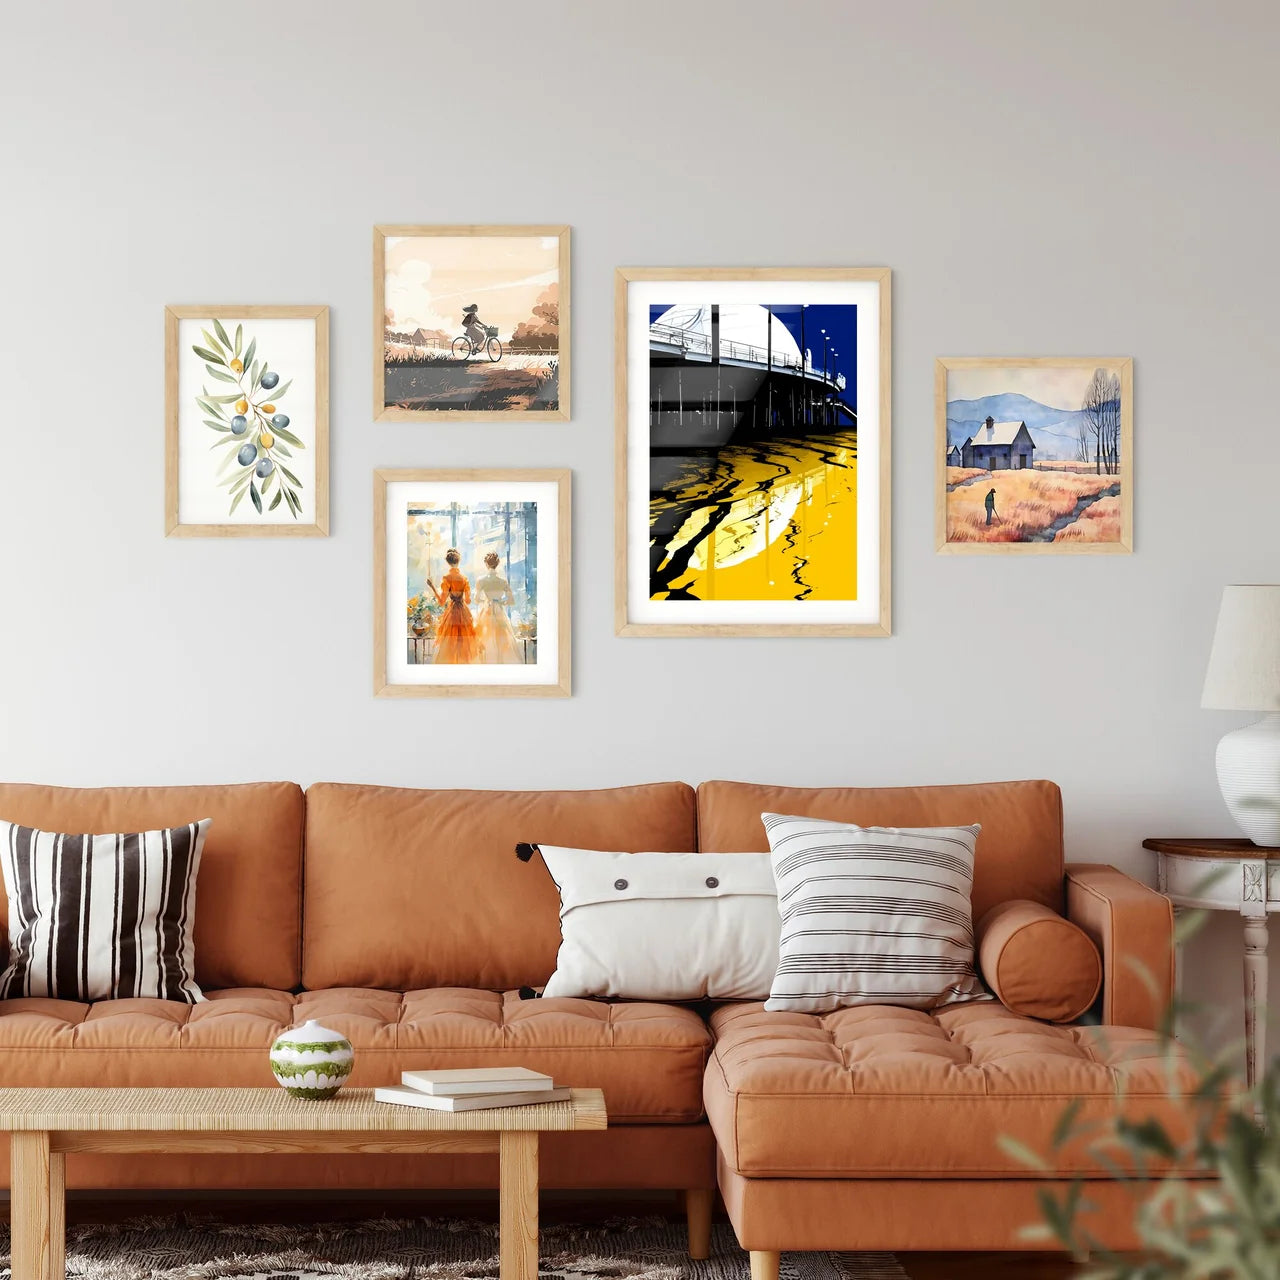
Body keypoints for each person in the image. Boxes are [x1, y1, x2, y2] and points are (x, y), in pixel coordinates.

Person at [425, 549, 478, 664]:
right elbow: (468, 601)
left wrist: (432, 587)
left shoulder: (446, 578)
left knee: (449, 645)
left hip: (452, 613)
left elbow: (441, 602)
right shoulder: (464, 578)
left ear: (448, 562)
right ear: (458, 561)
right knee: (464, 645)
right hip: (463, 613)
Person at [473, 552, 522, 664]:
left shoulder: (481, 580)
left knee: (485, 638)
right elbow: (511, 600)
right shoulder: (502, 581)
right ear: (497, 564)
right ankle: (499, 662)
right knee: (501, 638)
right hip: (499, 611)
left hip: (487, 610)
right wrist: (500, 602)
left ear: (486, 564)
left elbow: (476, 599)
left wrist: (486, 601)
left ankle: (486, 663)